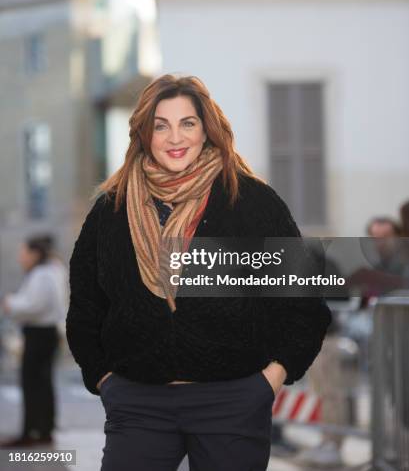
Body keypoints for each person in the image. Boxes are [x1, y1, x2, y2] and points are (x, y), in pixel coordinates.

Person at [65, 74, 332, 471]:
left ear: (206, 129)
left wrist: (269, 380)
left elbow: (304, 303)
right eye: (161, 125)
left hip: (232, 402)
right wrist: (104, 378)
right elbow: (86, 305)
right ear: (144, 134)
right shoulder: (111, 211)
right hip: (138, 404)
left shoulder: (252, 201)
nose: (176, 137)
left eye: (187, 123)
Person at [0, 235, 65, 448]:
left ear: (35, 253)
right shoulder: (51, 271)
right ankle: (43, 430)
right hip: (45, 333)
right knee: (42, 384)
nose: (21, 258)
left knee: (33, 383)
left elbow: (36, 305)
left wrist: (12, 304)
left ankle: (32, 432)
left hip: (40, 333)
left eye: (24, 253)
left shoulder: (43, 274)